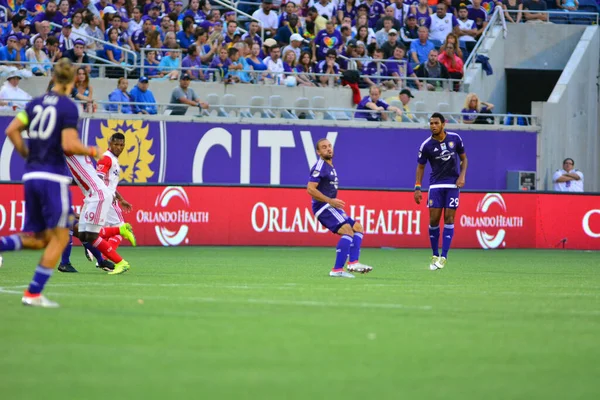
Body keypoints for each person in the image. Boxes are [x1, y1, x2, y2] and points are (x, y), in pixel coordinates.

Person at [0, 59, 101, 307]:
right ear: (73, 82)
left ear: (53, 78)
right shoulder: (68, 107)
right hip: (53, 178)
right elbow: (68, 145)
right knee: (60, 238)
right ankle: (33, 293)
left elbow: (11, 130)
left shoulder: (34, 104)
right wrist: (91, 150)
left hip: (31, 175)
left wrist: (27, 154)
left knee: (39, 238)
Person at [307, 138, 373, 278]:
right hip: (323, 207)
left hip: (330, 206)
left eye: (329, 146)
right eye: (324, 147)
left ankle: (353, 262)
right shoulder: (320, 166)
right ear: (318, 152)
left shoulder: (330, 166)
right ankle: (337, 270)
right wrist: (329, 201)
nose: (328, 149)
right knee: (348, 231)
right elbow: (310, 189)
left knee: (358, 227)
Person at [414, 112, 468, 271]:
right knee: (434, 221)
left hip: (452, 185)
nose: (433, 126)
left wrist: (462, 176)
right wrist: (417, 187)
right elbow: (421, 167)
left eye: (436, 123)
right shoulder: (426, 145)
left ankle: (444, 257)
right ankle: (435, 254)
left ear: (443, 124)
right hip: (436, 186)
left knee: (449, 218)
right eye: (431, 123)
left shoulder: (455, 139)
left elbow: (464, 158)